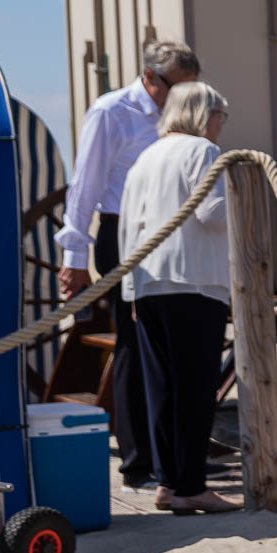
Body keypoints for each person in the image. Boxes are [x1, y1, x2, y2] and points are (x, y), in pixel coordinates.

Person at [56, 40, 202, 489]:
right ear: (150, 79)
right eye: (178, 89)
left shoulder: (180, 112)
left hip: (172, 234)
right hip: (123, 235)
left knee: (173, 345)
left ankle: (173, 455)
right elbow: (85, 187)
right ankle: (139, 459)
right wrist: (74, 256)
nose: (185, 101)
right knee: (136, 346)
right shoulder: (111, 111)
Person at [118, 81, 239, 515]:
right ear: (205, 115)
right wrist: (248, 195)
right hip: (194, 282)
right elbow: (212, 213)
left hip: (149, 283)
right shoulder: (203, 152)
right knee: (194, 387)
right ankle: (191, 484)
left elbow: (127, 226)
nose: (221, 126)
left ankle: (168, 481)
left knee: (161, 387)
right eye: (220, 117)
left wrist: (130, 287)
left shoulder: (144, 159)